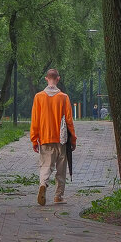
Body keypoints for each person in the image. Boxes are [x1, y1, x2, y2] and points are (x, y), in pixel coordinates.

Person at [29, 68, 77, 205]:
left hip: (45, 138)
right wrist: (73, 139)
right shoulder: (64, 97)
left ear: (46, 78)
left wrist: (34, 139)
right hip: (61, 140)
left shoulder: (38, 97)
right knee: (61, 170)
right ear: (58, 79)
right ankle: (58, 196)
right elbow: (69, 121)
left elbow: (35, 120)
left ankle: (43, 184)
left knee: (45, 166)